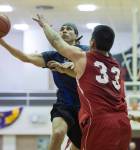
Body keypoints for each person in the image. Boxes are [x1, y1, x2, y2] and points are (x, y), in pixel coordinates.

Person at [34, 14, 132, 150]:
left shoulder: (85, 57)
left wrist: (44, 25)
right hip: (123, 123)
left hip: (100, 121)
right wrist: (64, 70)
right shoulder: (115, 65)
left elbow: (57, 42)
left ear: (91, 43)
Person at [0, 22, 89, 150]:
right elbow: (26, 57)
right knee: (58, 133)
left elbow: (89, 67)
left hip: (85, 107)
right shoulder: (52, 56)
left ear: (76, 35)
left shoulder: (85, 51)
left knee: (77, 147)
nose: (64, 31)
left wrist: (73, 66)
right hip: (64, 104)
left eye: (68, 29)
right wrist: (3, 43)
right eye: (62, 29)